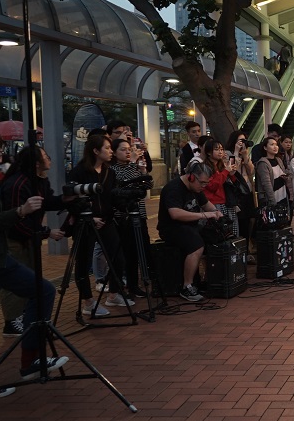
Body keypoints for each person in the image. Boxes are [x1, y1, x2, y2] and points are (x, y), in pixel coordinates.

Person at [0, 125, 68, 399]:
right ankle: (26, 354)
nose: (0, 149)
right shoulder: (9, 182)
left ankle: (30, 361)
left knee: (42, 290)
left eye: (0, 144)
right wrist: (21, 213)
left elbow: (44, 203)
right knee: (39, 291)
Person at [0, 146, 70, 337]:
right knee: (15, 283)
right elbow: (15, 221)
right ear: (36, 163)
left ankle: (26, 319)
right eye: (46, 156)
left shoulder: (39, 180)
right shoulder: (18, 184)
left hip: (28, 239)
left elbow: (46, 202)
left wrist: (65, 199)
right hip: (15, 240)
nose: (50, 158)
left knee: (30, 279)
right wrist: (45, 232)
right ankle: (12, 322)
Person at [67, 133, 130, 315]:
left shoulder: (109, 172)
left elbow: (111, 196)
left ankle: (113, 294)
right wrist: (88, 216)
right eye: (107, 148)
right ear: (95, 151)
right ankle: (88, 302)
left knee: (118, 258)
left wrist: (125, 202)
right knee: (83, 262)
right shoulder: (79, 172)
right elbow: (71, 199)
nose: (111, 152)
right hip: (85, 222)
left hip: (106, 220)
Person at [157, 162, 223, 302]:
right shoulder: (173, 188)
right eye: (202, 183)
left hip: (190, 225)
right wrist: (203, 216)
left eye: (206, 183)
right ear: (191, 177)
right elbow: (175, 214)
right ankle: (187, 286)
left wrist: (216, 213)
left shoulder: (196, 189)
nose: (204, 186)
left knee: (214, 237)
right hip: (171, 228)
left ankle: (207, 280)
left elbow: (206, 205)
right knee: (196, 244)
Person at [109, 137, 151, 298]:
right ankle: (122, 287)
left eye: (129, 149)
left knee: (141, 251)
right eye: (123, 149)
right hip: (123, 216)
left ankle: (135, 285)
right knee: (127, 252)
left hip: (139, 213)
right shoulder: (113, 170)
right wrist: (134, 164)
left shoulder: (135, 166)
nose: (127, 152)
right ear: (114, 152)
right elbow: (124, 182)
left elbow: (147, 185)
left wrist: (142, 172)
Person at [225, 130, 255, 259]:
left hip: (247, 192)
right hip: (236, 193)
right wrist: (236, 153)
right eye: (240, 140)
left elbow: (251, 171)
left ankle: (247, 251)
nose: (243, 143)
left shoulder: (245, 155)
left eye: (244, 140)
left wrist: (245, 156)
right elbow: (231, 170)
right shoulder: (227, 154)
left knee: (248, 222)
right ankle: (239, 253)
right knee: (239, 222)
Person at [201, 138, 240, 238]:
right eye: (217, 149)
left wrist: (236, 151)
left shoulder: (221, 165)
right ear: (209, 152)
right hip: (214, 204)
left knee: (231, 233)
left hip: (226, 203)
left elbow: (232, 173)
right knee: (220, 233)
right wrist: (226, 171)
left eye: (222, 149)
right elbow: (213, 186)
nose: (220, 152)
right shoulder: (205, 167)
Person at [254, 136, 293, 214]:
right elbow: (266, 184)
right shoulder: (263, 163)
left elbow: (284, 173)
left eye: (276, 144)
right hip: (271, 198)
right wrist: (272, 201)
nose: (275, 147)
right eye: (272, 144)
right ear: (265, 147)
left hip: (283, 194)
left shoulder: (278, 160)